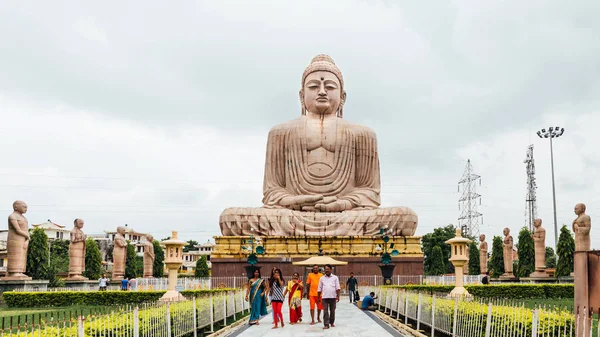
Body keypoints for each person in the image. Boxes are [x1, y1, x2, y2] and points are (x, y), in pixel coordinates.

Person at [317, 264, 340, 330]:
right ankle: (326, 324)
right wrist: (319, 297)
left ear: (330, 269)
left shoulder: (335, 277)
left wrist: (338, 296)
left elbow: (338, 288)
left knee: (332, 311)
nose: (326, 270)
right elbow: (319, 288)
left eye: (328, 269)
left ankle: (331, 322)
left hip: (333, 297)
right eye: (325, 269)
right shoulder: (322, 278)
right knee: (325, 311)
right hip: (324, 298)